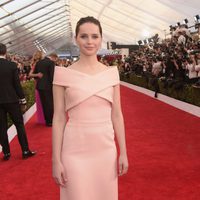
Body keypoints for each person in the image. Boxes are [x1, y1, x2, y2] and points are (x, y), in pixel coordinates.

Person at [52, 16, 128, 200]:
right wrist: (56, 159)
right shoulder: (62, 74)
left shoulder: (111, 74)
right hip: (74, 150)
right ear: (75, 38)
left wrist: (123, 152)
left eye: (94, 36)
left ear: (101, 39)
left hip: (105, 149)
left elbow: (117, 115)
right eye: (84, 36)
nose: (89, 41)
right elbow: (59, 118)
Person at [0, 43, 36, 161]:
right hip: (12, 100)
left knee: (1, 127)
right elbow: (17, 84)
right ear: (5, 52)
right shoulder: (11, 65)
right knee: (19, 125)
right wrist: (23, 100)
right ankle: (25, 150)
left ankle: (6, 153)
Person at [33, 53, 58, 126]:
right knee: (50, 103)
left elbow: (35, 74)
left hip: (40, 86)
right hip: (48, 86)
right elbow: (52, 76)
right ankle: (50, 121)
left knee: (44, 104)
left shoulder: (39, 62)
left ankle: (47, 120)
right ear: (53, 57)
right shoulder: (51, 63)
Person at [29, 50, 45, 124]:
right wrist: (37, 74)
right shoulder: (36, 64)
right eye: (43, 54)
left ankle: (42, 118)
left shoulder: (37, 63)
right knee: (41, 102)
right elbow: (30, 74)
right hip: (38, 85)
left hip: (38, 84)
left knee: (41, 102)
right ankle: (42, 118)